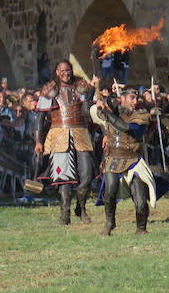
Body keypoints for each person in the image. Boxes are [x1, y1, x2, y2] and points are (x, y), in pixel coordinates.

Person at [33, 60, 96, 225]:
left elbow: (90, 111)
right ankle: (65, 213)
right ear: (56, 71)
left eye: (68, 70)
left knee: (87, 174)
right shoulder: (49, 90)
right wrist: (38, 141)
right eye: (62, 70)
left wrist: (92, 91)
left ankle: (81, 207)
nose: (66, 73)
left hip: (81, 132)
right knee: (63, 176)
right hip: (58, 134)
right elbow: (39, 118)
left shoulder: (81, 86)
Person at [92, 88, 155, 236]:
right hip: (113, 158)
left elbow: (126, 128)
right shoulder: (114, 112)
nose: (135, 101)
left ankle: (141, 228)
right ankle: (109, 223)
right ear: (123, 99)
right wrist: (94, 92)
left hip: (133, 159)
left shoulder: (142, 115)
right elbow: (87, 111)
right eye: (132, 98)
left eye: (136, 98)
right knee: (110, 190)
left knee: (140, 200)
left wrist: (107, 113)